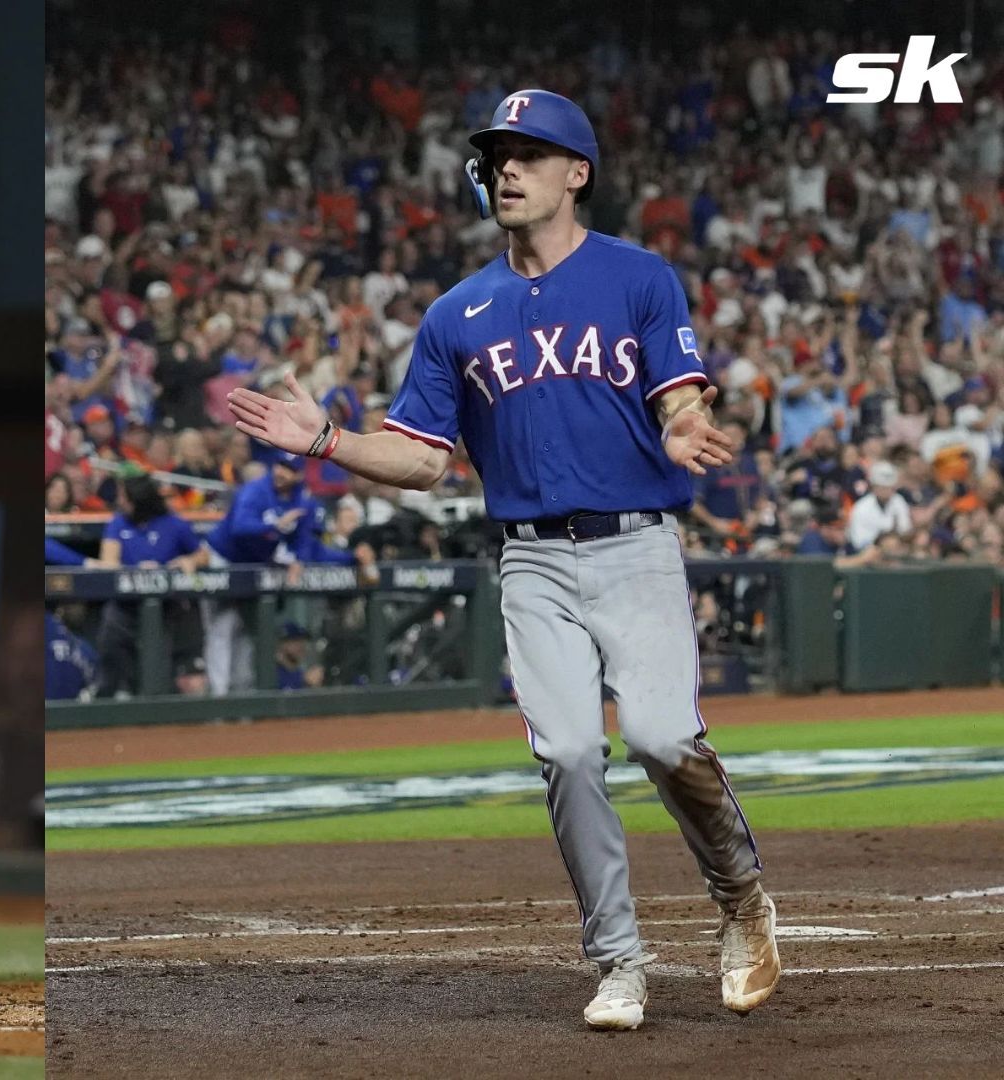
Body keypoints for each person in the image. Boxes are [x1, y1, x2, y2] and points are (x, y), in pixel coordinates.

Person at [228, 90, 777, 1032]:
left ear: (578, 172)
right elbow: (424, 460)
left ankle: (742, 900)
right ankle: (618, 963)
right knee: (566, 751)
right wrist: (327, 440)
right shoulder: (457, 313)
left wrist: (686, 426)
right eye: (497, 156)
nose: (508, 170)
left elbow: (680, 395)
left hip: (636, 541)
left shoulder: (640, 278)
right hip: (530, 559)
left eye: (530, 152)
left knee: (658, 738)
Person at [199, 451, 361, 694]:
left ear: (299, 474)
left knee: (247, 632)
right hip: (223, 559)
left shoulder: (302, 500)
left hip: (255, 565)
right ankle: (218, 697)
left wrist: (308, 560)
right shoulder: (256, 490)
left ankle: (241, 694)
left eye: (289, 468)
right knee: (223, 629)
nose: (281, 473)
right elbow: (239, 528)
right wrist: (274, 526)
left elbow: (308, 544)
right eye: (279, 466)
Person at [94, 474, 203, 695]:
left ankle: (159, 704)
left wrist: (188, 560)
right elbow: (108, 562)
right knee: (110, 642)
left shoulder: (173, 523)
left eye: (125, 496)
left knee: (159, 661)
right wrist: (135, 570)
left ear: (140, 501)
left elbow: (203, 555)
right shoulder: (118, 522)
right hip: (125, 605)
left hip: (165, 608)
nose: (120, 500)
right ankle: (109, 696)